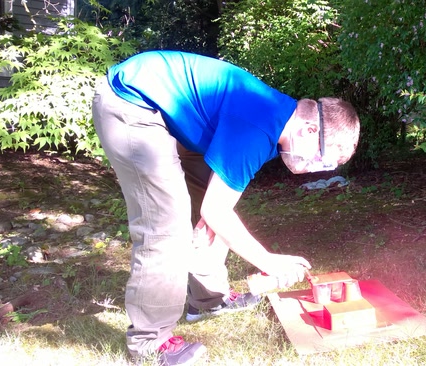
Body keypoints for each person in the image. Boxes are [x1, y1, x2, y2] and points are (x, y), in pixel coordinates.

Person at [91, 50, 360, 365]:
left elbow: (218, 206)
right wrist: (267, 261)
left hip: (173, 115)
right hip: (132, 103)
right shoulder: (259, 125)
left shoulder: (277, 125)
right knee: (167, 225)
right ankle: (151, 343)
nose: (317, 168)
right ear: (310, 130)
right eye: (323, 159)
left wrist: (213, 212)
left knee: (216, 207)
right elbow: (216, 211)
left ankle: (208, 300)